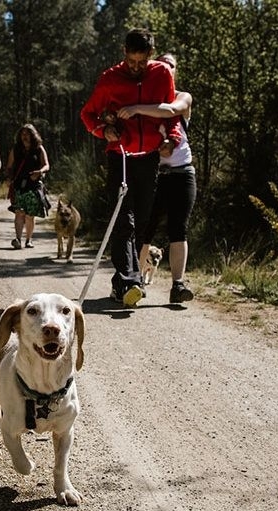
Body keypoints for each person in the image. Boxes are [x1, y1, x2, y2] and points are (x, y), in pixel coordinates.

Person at [80, 28, 181, 306]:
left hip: (149, 157)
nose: (136, 68)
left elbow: (172, 113)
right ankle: (130, 281)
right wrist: (104, 131)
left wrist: (172, 140)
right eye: (131, 61)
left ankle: (121, 283)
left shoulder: (161, 74)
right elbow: (88, 114)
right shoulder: (110, 78)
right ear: (124, 52)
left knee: (143, 222)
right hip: (120, 155)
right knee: (124, 221)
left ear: (150, 54)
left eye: (142, 62)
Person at [122, 53, 195, 303]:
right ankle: (135, 282)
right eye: (160, 63)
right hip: (152, 173)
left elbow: (171, 110)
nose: (165, 67)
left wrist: (135, 108)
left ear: (175, 71)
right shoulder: (146, 96)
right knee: (144, 229)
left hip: (183, 172)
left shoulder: (183, 97)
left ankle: (178, 285)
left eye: (170, 65)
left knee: (179, 229)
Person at [5, 124, 50, 249]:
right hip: (19, 185)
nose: (25, 136)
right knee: (19, 212)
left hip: (34, 185)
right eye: (22, 134)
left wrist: (40, 172)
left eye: (27, 134)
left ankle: (29, 240)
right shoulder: (16, 149)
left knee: (30, 215)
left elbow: (46, 165)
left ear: (33, 135)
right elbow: (9, 166)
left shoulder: (39, 149)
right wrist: (9, 178)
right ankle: (18, 239)